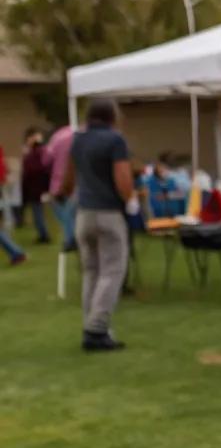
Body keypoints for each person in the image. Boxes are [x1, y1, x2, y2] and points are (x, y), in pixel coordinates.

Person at [60, 99, 134, 351]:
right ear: (112, 116)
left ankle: (89, 323)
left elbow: (68, 180)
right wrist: (131, 200)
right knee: (112, 271)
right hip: (108, 212)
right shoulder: (115, 141)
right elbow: (123, 179)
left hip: (84, 213)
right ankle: (97, 327)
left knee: (91, 271)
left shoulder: (77, 139)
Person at [46, 123, 77, 250]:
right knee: (71, 211)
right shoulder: (79, 134)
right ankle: (73, 236)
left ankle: (71, 238)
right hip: (78, 181)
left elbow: (46, 160)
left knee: (63, 211)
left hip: (59, 181)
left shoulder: (57, 138)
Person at [21, 128, 52, 244]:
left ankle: (44, 235)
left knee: (38, 212)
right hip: (39, 187)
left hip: (36, 188)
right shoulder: (38, 153)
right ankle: (43, 234)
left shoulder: (35, 155)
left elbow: (31, 172)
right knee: (39, 212)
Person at [144, 153, 186, 219]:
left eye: (164, 170)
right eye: (160, 171)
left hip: (174, 212)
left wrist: (168, 195)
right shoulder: (151, 182)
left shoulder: (172, 181)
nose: (163, 172)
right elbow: (151, 196)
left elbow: (181, 194)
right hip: (158, 213)